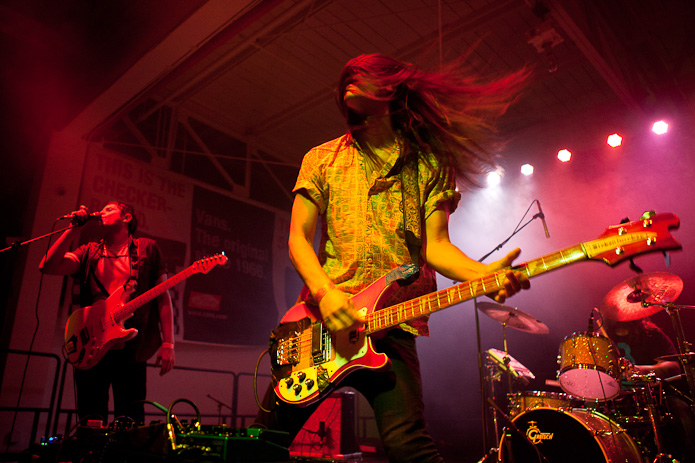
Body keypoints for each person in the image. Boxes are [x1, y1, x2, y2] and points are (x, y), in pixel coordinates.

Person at [254, 53, 530, 463]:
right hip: (321, 325)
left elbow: (437, 247)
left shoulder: (430, 162)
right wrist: (326, 293)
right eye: (347, 78)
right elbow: (298, 239)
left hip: (391, 325)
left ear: (390, 89)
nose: (349, 81)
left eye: (362, 75)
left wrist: (482, 274)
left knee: (408, 446)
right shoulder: (322, 158)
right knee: (263, 442)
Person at [39, 201, 175, 425]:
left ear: (127, 217)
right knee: (91, 417)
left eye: (109, 209)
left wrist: (168, 344)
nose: (101, 212)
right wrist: (73, 230)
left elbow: (163, 297)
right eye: (102, 209)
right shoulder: (89, 251)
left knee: (130, 419)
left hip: (131, 346)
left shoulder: (147, 248)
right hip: (91, 342)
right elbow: (47, 266)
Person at [601, 315, 694, 463]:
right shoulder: (601, 340)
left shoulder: (651, 334)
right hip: (613, 400)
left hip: (653, 396)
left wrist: (640, 370)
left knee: (682, 412)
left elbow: (673, 366)